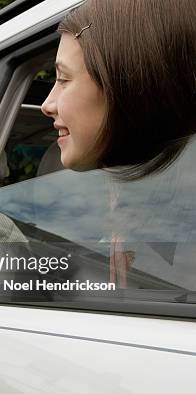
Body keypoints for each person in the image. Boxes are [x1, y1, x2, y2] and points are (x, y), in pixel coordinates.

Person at [40, 0, 196, 287]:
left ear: (128, 88)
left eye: (63, 79)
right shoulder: (124, 211)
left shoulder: (177, 243)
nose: (47, 104)